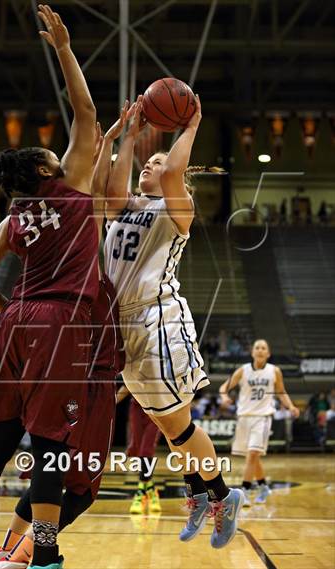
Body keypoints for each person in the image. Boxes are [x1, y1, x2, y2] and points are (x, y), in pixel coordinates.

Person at [0, 6, 99, 569]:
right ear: (46, 171)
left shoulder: (15, 213)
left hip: (16, 320)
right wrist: (64, 47)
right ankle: (43, 553)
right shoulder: (69, 189)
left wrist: (9, 307)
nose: (57, 153)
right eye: (49, 155)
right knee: (48, 444)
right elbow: (84, 111)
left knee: (5, 428)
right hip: (59, 322)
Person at [0, 98, 128, 569]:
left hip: (45, 338)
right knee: (75, 479)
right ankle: (30, 555)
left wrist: (116, 141)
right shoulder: (78, 208)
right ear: (49, 172)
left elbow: (102, 168)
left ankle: (6, 548)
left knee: (47, 456)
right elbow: (86, 121)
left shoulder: (38, 213)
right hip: (83, 362)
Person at [104, 94, 243, 549]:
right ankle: (198, 491)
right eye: (148, 164)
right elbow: (112, 187)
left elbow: (170, 175)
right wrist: (129, 135)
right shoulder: (123, 208)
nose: (151, 167)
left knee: (178, 426)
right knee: (169, 427)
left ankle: (222, 495)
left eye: (160, 164)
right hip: (123, 328)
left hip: (157, 321)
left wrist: (192, 123)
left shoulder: (175, 211)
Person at [219, 339, 300, 506]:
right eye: (257, 348)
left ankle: (246, 491)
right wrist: (225, 397)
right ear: (252, 352)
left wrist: (291, 406)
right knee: (252, 458)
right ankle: (263, 486)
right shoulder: (243, 371)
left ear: (268, 353)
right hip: (244, 417)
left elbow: (281, 392)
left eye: (264, 348)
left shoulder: (274, 371)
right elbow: (223, 388)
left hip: (263, 417)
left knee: (253, 454)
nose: (260, 350)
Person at [117, 385, 161, 515]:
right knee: (137, 449)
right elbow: (127, 385)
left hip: (157, 409)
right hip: (137, 407)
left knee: (146, 450)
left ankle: (140, 493)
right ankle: (152, 491)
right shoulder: (134, 365)